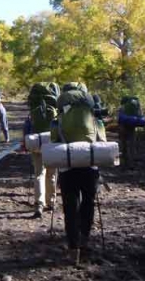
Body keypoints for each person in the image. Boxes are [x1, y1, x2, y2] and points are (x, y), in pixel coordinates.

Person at [53, 82, 106, 263]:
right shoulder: (94, 117)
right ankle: (85, 238)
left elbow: (53, 139)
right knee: (88, 203)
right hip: (90, 167)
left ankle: (73, 248)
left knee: (70, 207)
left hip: (67, 167)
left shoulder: (59, 117)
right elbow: (102, 140)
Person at [23, 82, 59, 218]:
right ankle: (52, 201)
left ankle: (39, 203)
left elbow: (27, 126)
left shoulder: (34, 107)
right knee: (52, 173)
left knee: (39, 174)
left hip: (37, 142)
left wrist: (26, 142)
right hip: (52, 143)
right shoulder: (54, 107)